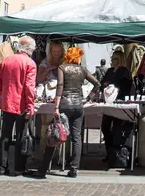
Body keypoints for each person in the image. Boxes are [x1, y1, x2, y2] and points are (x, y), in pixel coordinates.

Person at [36, 46, 101, 179]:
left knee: (55, 134)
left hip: (65, 104)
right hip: (78, 105)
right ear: (77, 58)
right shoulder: (82, 69)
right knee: (76, 138)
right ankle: (74, 168)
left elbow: (60, 86)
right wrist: (88, 98)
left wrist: (56, 106)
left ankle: (43, 169)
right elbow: (97, 84)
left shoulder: (62, 67)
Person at [0, 35, 37, 176]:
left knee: (5, 135)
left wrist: (4, 94)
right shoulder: (30, 63)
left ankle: (2, 166)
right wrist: (30, 105)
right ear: (30, 49)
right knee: (21, 136)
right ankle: (19, 167)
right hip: (21, 104)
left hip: (7, 102)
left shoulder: (6, 60)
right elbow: (29, 87)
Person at [100, 50, 134, 167]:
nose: (112, 60)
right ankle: (110, 152)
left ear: (120, 59)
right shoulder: (109, 71)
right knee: (105, 127)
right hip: (108, 102)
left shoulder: (124, 71)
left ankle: (115, 154)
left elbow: (126, 86)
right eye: (112, 58)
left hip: (119, 102)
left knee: (116, 128)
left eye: (115, 58)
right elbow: (103, 82)